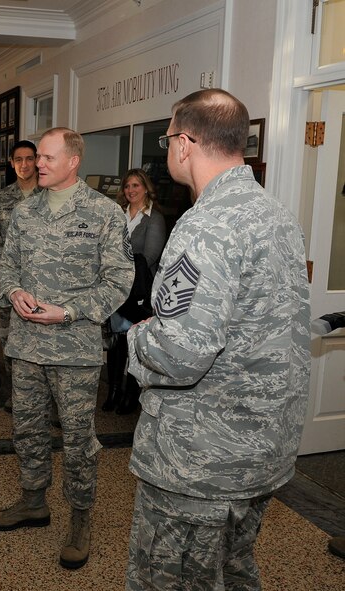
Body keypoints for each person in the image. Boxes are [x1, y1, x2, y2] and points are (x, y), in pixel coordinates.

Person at [125, 89, 310, 590]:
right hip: (261, 446)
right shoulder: (276, 214)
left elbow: (180, 354)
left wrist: (138, 339)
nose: (168, 148)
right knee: (233, 570)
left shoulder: (206, 225)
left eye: (167, 138)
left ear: (184, 143)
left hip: (199, 460)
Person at [0, 127, 133, 570]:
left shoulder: (104, 213)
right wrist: (13, 291)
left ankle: (80, 518)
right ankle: (33, 501)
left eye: (48, 158)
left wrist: (68, 312)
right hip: (26, 344)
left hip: (74, 349)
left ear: (73, 161)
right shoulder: (24, 211)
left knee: (77, 439)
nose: (38, 164)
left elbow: (118, 282)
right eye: (38, 157)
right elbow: (6, 264)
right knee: (27, 429)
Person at [102, 168, 166, 415]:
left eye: (136, 185)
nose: (130, 190)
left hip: (138, 292)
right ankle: (113, 391)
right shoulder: (117, 214)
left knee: (134, 342)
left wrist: (119, 266)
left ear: (146, 188)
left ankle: (130, 394)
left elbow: (149, 257)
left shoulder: (154, 219)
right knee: (117, 342)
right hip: (114, 288)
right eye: (127, 186)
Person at [0, 140, 39, 410]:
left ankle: (44, 399)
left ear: (37, 161)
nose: (24, 164)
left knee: (41, 342)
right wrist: (11, 275)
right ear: (12, 163)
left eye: (29, 159)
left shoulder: (49, 195)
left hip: (43, 285)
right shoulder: (2, 198)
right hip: (7, 287)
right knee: (9, 340)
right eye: (19, 159)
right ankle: (17, 394)